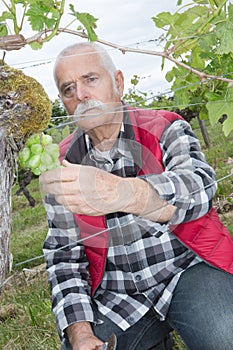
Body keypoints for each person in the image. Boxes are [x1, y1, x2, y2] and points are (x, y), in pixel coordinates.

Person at [39, 42, 233, 350]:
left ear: (117, 82)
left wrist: (127, 194)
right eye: (68, 88)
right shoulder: (62, 165)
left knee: (226, 337)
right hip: (117, 295)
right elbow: (64, 256)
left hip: (185, 271)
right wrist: (80, 333)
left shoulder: (165, 126)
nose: (81, 95)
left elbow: (200, 188)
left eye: (91, 79)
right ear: (63, 102)